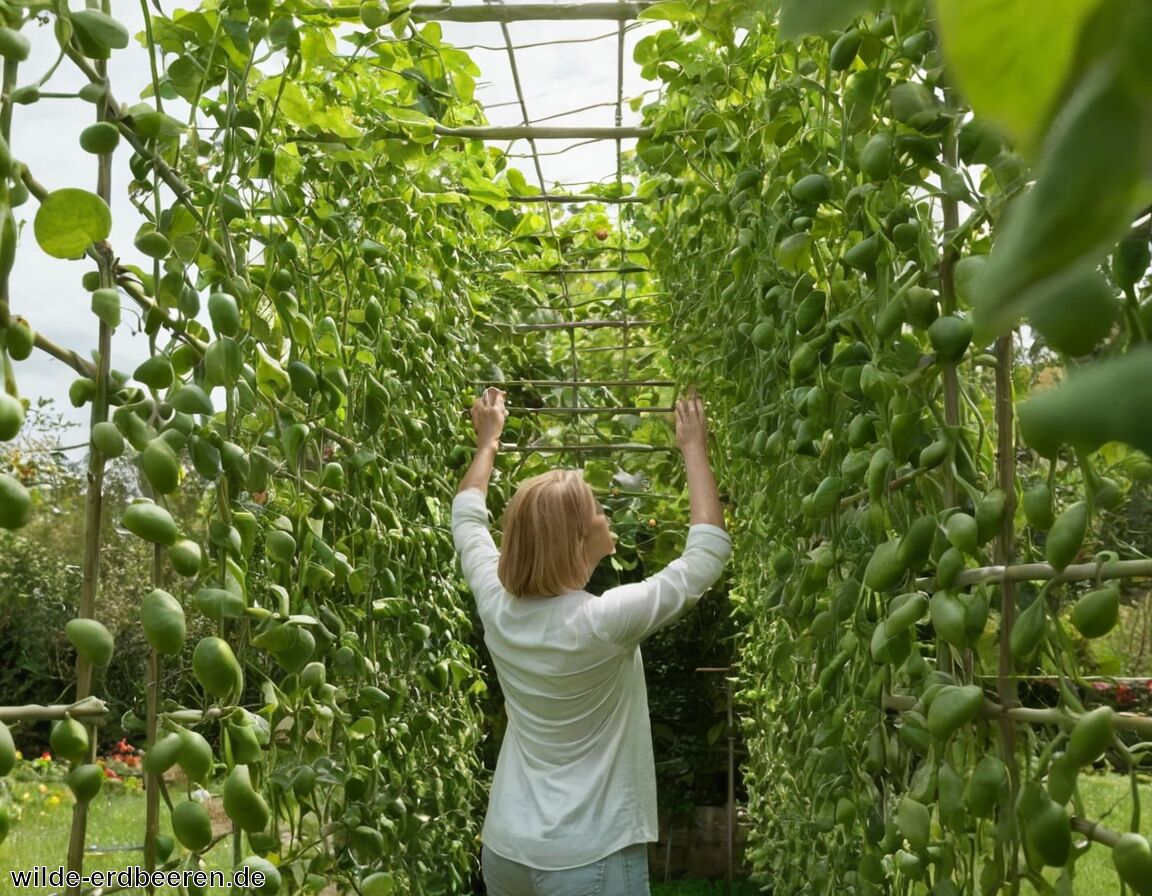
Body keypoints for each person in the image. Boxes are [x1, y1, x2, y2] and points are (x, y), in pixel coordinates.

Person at [451, 386, 731, 896]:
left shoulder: (497, 603)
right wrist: (694, 446)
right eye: (597, 510)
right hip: (587, 854)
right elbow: (706, 555)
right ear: (579, 539)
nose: (606, 515)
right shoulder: (605, 621)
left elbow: (467, 515)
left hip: (507, 849)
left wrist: (487, 440)